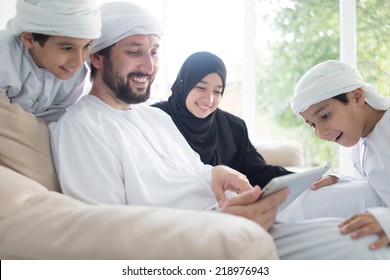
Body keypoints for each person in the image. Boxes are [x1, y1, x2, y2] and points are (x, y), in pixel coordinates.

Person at [50, 2, 390, 259]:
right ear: (97, 57)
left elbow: (198, 173)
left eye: (154, 52)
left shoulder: (154, 119)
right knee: (371, 248)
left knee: (361, 230)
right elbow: (101, 234)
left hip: (244, 223)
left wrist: (219, 173)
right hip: (209, 244)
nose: (149, 66)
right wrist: (217, 223)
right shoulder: (81, 127)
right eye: (135, 53)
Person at [288, 60, 390, 251]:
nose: (320, 133)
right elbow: (379, 186)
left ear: (357, 97)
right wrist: (342, 181)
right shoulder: (362, 143)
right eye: (312, 125)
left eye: (325, 116)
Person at [152, 51, 292, 188]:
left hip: (222, 207)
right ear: (183, 85)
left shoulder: (234, 127)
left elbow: (259, 172)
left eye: (217, 91)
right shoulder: (154, 118)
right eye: (201, 88)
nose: (209, 99)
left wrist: (306, 180)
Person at [0, 0, 101, 123]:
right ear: (29, 39)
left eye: (86, 46)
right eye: (67, 48)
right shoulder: (4, 55)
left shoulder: (76, 74)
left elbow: (52, 124)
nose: (79, 62)